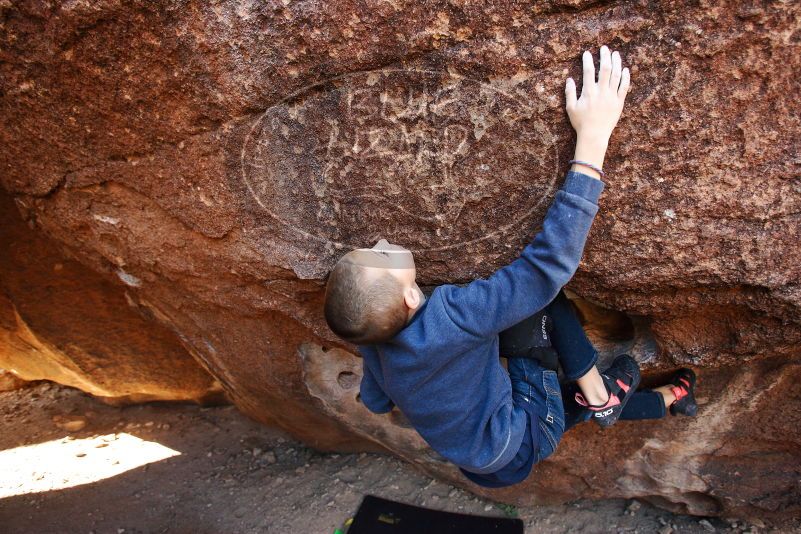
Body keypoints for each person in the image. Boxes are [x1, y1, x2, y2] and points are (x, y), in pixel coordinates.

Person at [323, 46, 667, 487]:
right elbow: (545, 269)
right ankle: (600, 395)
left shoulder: (376, 346)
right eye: (383, 254)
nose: (384, 241)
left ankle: (616, 401)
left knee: (530, 340)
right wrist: (593, 139)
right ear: (412, 297)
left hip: (474, 462)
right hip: (522, 436)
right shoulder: (453, 317)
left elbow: (374, 400)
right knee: (535, 303)